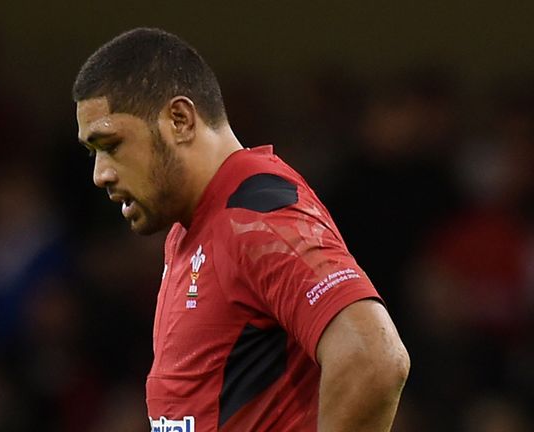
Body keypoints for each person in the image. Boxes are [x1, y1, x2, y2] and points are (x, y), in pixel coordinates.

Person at [72, 28, 410, 432]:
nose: (100, 174)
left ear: (179, 120)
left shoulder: (255, 216)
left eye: (111, 144)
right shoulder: (190, 229)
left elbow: (374, 359)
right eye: (93, 152)